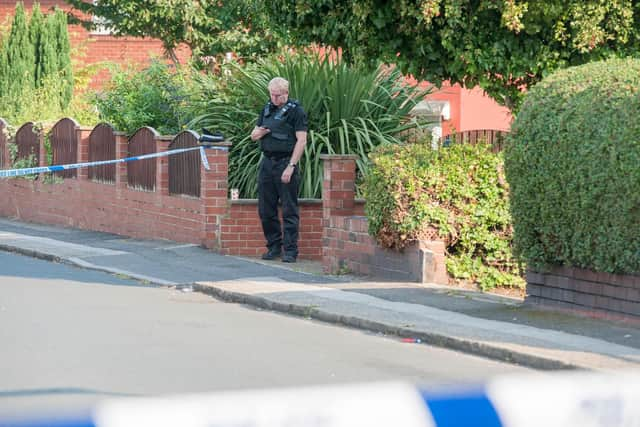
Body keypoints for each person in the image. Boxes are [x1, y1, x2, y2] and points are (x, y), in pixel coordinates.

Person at [250, 77, 308, 263]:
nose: (274, 99)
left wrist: (291, 166)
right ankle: (273, 247)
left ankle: (290, 251)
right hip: (268, 162)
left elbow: (302, 140)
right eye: (272, 95)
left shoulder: (296, 111)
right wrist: (265, 131)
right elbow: (254, 135)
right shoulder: (266, 109)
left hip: (286, 162)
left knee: (289, 209)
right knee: (266, 209)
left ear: (286, 93)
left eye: (278, 95)